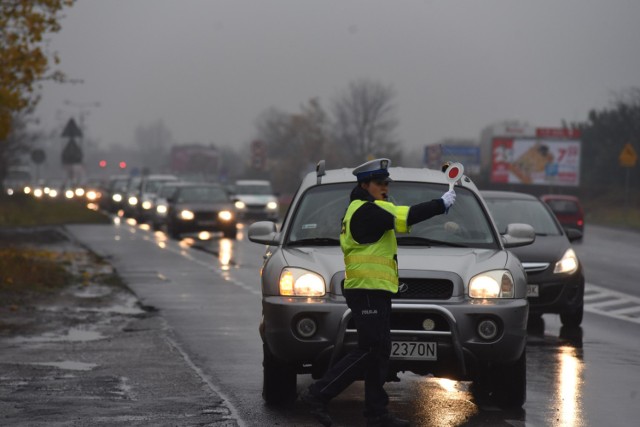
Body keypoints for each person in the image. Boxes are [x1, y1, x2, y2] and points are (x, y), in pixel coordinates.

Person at [300, 158, 456, 427]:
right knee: (369, 349)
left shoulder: (370, 208)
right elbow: (405, 216)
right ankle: (319, 393)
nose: (385, 187)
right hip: (367, 290)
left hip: (376, 290)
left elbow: (397, 216)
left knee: (380, 350)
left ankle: (377, 412)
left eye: (386, 183)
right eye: (379, 183)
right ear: (365, 185)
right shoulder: (365, 210)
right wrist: (440, 205)